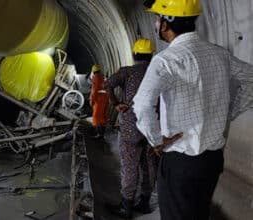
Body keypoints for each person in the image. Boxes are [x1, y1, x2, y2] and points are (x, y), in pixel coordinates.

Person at [133, 0, 253, 219]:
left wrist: (157, 139)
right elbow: (250, 78)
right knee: (199, 214)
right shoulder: (219, 54)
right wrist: (229, 112)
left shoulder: (166, 61)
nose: (156, 23)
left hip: (181, 161)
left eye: (158, 18)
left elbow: (141, 105)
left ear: (166, 24)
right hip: (212, 160)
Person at [105, 38, 157, 219]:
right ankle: (144, 202)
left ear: (135, 54)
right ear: (152, 55)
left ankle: (126, 206)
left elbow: (107, 84)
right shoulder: (157, 72)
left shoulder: (127, 72)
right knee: (148, 165)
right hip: (151, 128)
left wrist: (116, 103)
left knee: (129, 166)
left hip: (130, 128)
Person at [89, 64, 109, 139]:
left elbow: (94, 90)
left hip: (98, 99)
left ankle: (98, 133)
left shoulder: (95, 78)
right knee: (103, 116)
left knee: (96, 117)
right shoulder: (104, 77)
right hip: (106, 98)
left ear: (93, 72)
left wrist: (92, 100)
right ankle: (102, 133)